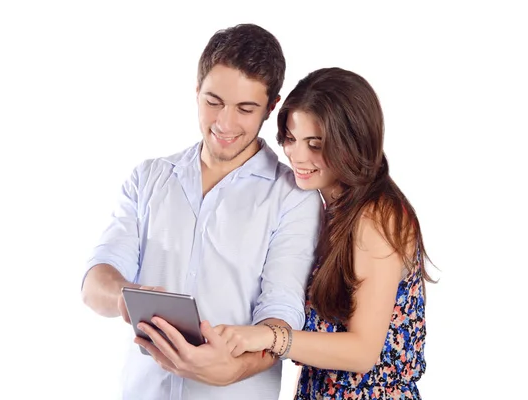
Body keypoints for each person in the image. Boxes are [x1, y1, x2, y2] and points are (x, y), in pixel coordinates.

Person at [80, 23, 323, 400]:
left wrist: (233, 368)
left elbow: (282, 311)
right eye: (213, 102)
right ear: (196, 91)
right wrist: (127, 298)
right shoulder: (149, 178)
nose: (225, 123)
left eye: (245, 108)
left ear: (271, 107)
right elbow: (96, 279)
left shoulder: (293, 196)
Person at [213, 67, 437, 399]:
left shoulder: (377, 216)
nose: (297, 156)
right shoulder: (328, 210)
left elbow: (363, 352)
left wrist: (268, 337)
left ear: (353, 143)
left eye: (315, 144)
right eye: (291, 139)